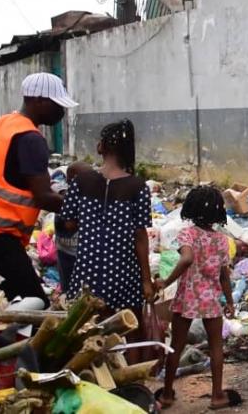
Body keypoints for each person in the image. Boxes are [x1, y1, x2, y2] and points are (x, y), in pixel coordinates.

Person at [0, 72, 77, 305]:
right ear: (38, 100)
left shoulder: (0, 124)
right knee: (35, 302)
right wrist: (86, 205)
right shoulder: (30, 138)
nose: (62, 111)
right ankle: (10, 340)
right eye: (57, 105)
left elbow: (14, 176)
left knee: (15, 296)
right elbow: (43, 198)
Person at [61, 119, 154, 360]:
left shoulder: (81, 182)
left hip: (88, 270)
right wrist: (146, 280)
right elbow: (140, 236)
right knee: (131, 327)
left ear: (101, 147)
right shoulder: (137, 187)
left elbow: (69, 223)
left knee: (87, 328)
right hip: (124, 271)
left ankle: (93, 373)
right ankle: (133, 378)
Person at [154, 186, 241, 410]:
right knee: (216, 347)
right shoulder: (222, 240)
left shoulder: (188, 234)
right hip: (211, 297)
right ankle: (217, 396)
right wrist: (229, 302)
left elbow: (186, 259)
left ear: (190, 208)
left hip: (188, 296)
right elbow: (224, 276)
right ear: (218, 212)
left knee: (176, 345)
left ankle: (166, 395)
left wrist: (166, 281)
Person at [54, 161, 92, 293]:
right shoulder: (64, 196)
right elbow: (69, 225)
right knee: (69, 288)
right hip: (67, 253)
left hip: (80, 253)